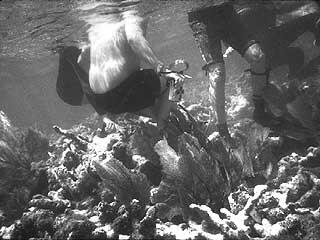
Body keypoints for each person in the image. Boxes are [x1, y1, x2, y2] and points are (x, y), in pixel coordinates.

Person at [187, 1, 320, 145]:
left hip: (226, 12)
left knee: (258, 57)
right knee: (218, 74)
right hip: (201, 17)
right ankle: (222, 129)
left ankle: (260, 111)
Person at [56, 9, 180, 129]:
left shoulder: (97, 29)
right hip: (125, 91)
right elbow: (134, 39)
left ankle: (155, 114)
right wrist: (160, 67)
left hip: (104, 102)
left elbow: (81, 61)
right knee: (175, 79)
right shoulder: (132, 15)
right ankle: (163, 121)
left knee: (142, 87)